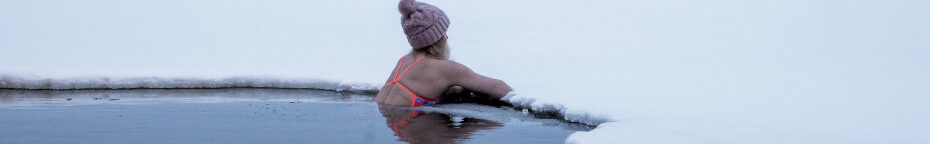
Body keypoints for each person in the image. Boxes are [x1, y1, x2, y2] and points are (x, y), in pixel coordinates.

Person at [376, 0, 512, 107]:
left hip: (388, 124)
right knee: (466, 130)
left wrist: (450, 91)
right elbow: (502, 89)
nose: (446, 38)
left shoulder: (403, 61)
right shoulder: (446, 68)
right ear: (436, 38)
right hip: (409, 125)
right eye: (443, 33)